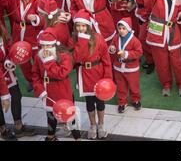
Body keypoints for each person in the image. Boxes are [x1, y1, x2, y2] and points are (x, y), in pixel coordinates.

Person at [143, 0, 181, 96]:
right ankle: (166, 84)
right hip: (157, 32)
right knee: (161, 61)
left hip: (173, 31)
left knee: (177, 61)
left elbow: (179, 12)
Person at [31, 30, 81, 141]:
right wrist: (39, 90)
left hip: (62, 90)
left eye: (48, 45)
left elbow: (61, 74)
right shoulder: (38, 56)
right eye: (43, 45)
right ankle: (51, 136)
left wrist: (48, 61)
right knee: (50, 115)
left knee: (69, 115)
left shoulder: (64, 55)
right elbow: (35, 74)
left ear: (54, 44)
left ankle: (77, 137)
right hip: (47, 91)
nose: (45, 48)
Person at [72, 10, 112, 139]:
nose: (80, 28)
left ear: (88, 25)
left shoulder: (98, 38)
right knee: (89, 102)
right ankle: (92, 125)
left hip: (98, 72)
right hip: (84, 74)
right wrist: (82, 40)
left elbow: (106, 59)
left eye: (83, 25)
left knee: (100, 102)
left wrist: (107, 78)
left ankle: (101, 125)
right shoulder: (74, 39)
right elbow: (77, 58)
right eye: (78, 25)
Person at [0, 0, 42, 85]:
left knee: (37, 58)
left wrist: (37, 18)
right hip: (18, 33)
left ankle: (40, 80)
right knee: (22, 59)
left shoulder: (38, 2)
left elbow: (44, 18)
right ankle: (31, 81)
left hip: (32, 33)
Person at [0, 23, 35, 140]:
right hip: (1, 74)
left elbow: (9, 47)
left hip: (8, 72)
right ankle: (3, 130)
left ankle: (19, 127)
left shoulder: (2, 32)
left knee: (16, 95)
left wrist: (9, 59)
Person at [109, 17, 142, 113]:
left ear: (128, 28)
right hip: (118, 67)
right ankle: (122, 102)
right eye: (119, 29)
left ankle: (136, 100)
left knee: (133, 85)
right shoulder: (116, 38)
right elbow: (112, 45)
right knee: (120, 85)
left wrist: (127, 54)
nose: (121, 31)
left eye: (124, 28)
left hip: (131, 68)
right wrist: (112, 49)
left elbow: (139, 52)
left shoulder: (135, 40)